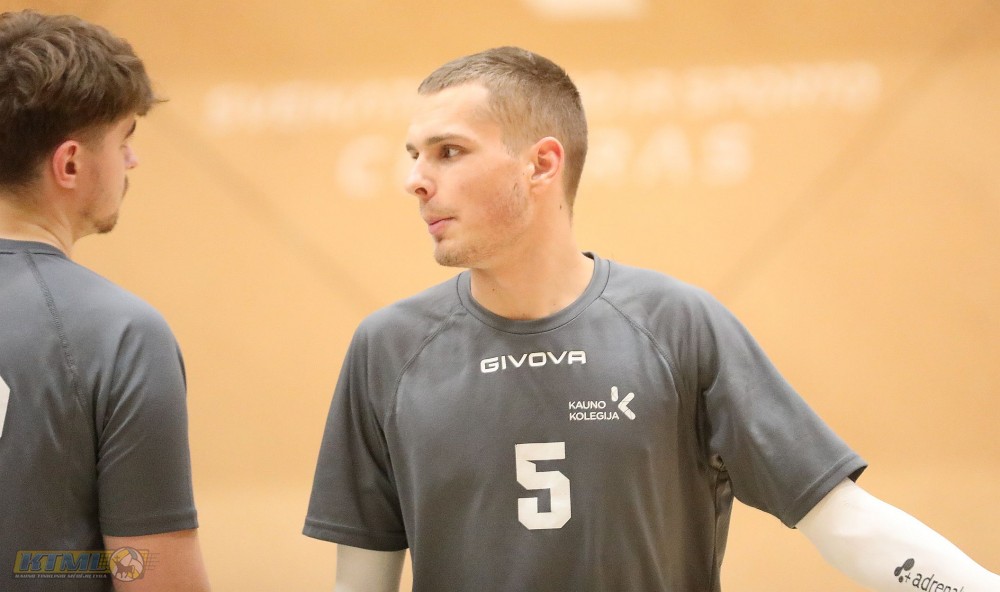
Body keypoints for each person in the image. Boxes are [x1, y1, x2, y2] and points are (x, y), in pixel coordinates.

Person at [304, 47, 999, 591]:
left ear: (542, 164)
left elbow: (847, 526)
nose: (415, 180)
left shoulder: (678, 325)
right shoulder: (387, 349)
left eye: (448, 152)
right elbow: (359, 583)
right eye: (414, 156)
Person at [0, 10, 210, 592]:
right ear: (70, 163)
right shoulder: (120, 333)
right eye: (124, 140)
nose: (132, 161)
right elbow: (153, 575)